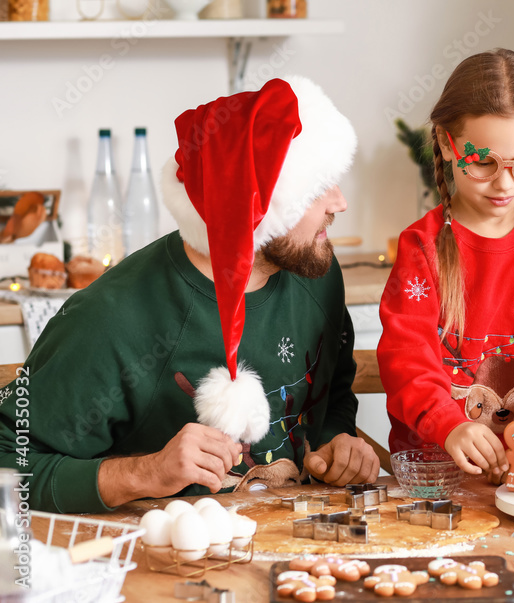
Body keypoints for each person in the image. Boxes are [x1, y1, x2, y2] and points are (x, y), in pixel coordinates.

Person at [0, 77, 379, 513]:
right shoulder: (112, 318)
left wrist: (336, 441)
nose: (340, 203)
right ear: (254, 205)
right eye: (317, 189)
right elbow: (10, 465)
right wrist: (147, 472)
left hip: (298, 555)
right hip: (161, 567)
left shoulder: (317, 274)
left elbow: (334, 394)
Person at [377, 49, 514, 481]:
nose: (506, 183)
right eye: (483, 162)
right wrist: (450, 425)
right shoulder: (421, 246)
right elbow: (406, 361)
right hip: (438, 474)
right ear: (444, 142)